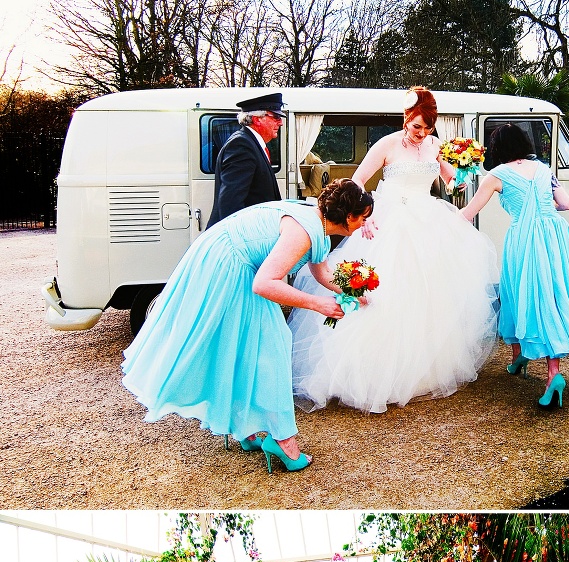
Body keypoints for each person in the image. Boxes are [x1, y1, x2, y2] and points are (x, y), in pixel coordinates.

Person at [122, 180, 374, 472]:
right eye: (363, 217)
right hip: (228, 263)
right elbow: (265, 283)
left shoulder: (317, 222)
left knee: (246, 343)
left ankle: (246, 428)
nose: (364, 223)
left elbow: (322, 272)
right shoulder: (304, 231)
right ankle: (283, 441)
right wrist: (318, 304)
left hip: (234, 259)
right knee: (275, 345)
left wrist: (352, 289)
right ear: (348, 216)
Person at [289, 86, 499, 414]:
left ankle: (421, 371)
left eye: (428, 128)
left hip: (428, 221)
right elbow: (357, 182)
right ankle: (366, 372)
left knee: (426, 295)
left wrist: (462, 172)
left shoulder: (435, 146)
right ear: (406, 118)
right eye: (417, 127)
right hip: (388, 219)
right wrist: (364, 217)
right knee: (383, 292)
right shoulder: (386, 144)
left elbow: (450, 182)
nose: (422, 134)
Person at [460, 122, 569, 409]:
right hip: (555, 235)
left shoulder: (496, 175)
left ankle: (522, 357)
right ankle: (549, 372)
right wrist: (544, 207)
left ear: (498, 149)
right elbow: (566, 204)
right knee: (550, 295)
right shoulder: (545, 170)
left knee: (521, 293)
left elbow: (469, 213)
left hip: (525, 239)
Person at [207, 94, 284, 228]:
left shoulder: (250, 143)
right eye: (276, 117)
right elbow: (231, 203)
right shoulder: (241, 145)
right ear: (257, 119)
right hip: (240, 238)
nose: (281, 122)